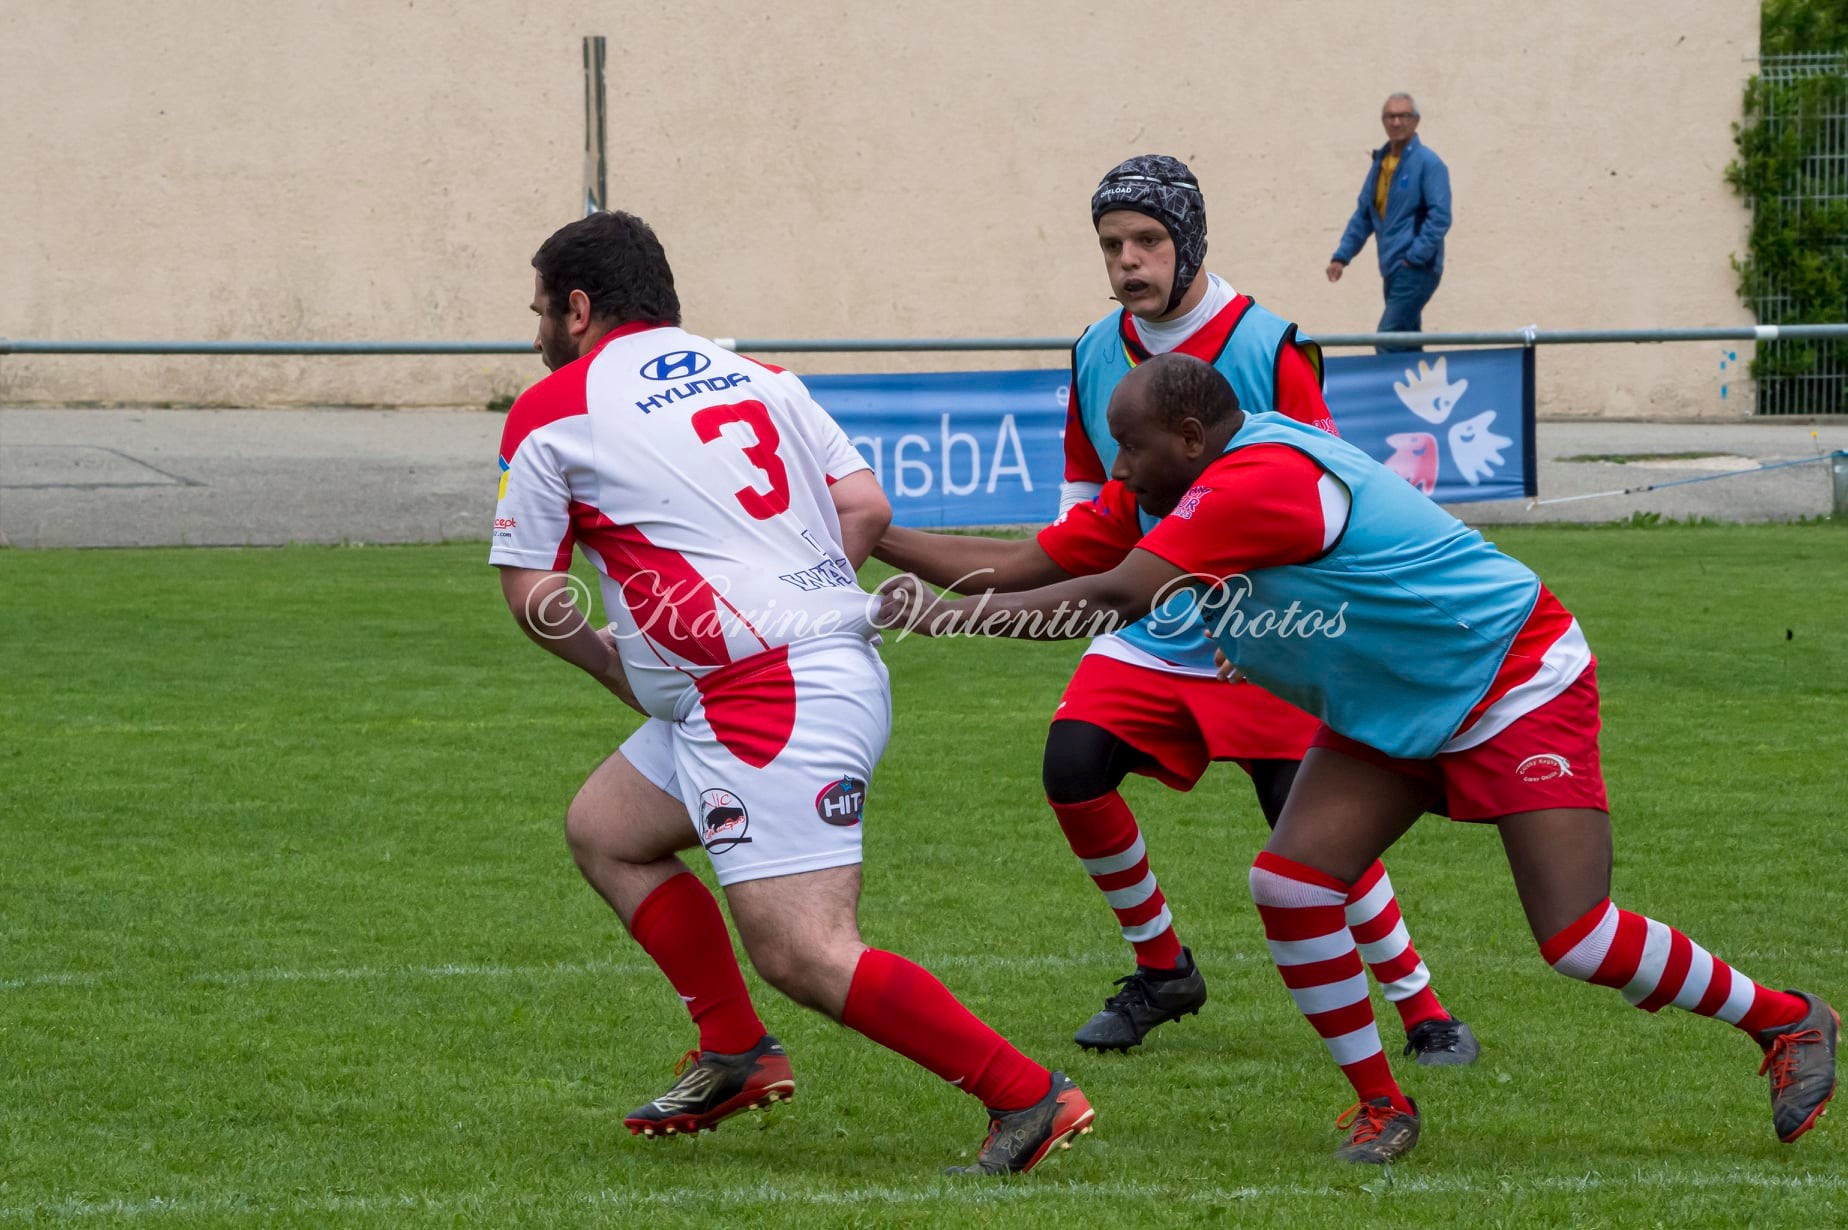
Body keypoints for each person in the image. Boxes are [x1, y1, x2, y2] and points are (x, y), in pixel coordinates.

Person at [874, 353, 1838, 1164]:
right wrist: (881, 539)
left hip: (1510, 677)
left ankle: (1789, 1019)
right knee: (1291, 885)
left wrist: (943, 619)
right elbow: (1030, 559)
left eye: (1131, 445)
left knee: (1577, 939)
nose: (1117, 469)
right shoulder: (1178, 490)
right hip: (1393, 703)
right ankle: (1386, 1105)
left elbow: (1114, 598)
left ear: (1192, 437)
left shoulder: (1252, 481)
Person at [489, 210, 1094, 1175]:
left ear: (578, 306)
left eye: (538, 315)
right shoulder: (762, 376)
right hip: (791, 672)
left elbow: (534, 594)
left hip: (765, 696)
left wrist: (619, 667)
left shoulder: (556, 408)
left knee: (805, 951)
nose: (534, 338)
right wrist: (797, 599)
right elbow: (867, 508)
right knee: (607, 828)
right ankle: (735, 1050)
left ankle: (1028, 1095)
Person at [876, 154, 1479, 1066]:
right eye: (1113, 243)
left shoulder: (1270, 342)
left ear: (1189, 240)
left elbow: (1328, 502)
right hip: (1151, 618)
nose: (1128, 260)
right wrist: (880, 533)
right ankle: (1163, 970)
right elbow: (1090, 522)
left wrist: (1265, 618)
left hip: (1269, 623)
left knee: (1307, 818)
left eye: (1149, 240)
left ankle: (1423, 1008)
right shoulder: (1091, 350)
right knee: (1072, 766)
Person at [1326, 93, 1452, 352]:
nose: (1396, 122)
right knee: (1406, 341)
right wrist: (1341, 257)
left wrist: (1415, 257)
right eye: (1390, 116)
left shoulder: (1428, 163)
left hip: (1417, 268)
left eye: (1403, 116)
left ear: (1416, 121)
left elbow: (1440, 217)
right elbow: (1364, 216)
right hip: (1392, 268)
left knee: (1388, 338)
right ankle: (1418, 391)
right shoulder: (1380, 164)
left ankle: (1387, 391)